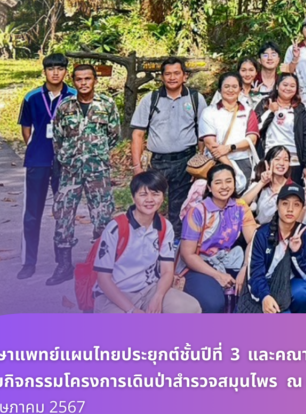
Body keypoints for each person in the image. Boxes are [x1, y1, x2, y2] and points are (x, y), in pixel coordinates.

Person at [48, 64, 121, 286]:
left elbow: (114, 135)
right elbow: (57, 138)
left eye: (88, 79)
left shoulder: (106, 104)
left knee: (102, 217)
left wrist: (95, 153)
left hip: (97, 170)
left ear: (95, 80)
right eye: (79, 79)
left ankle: (102, 267)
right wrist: (68, 157)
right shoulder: (65, 106)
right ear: (74, 81)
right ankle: (63, 266)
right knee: (63, 215)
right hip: (70, 171)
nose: (83, 83)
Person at [93, 171, 202, 313]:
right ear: (133, 197)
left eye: (156, 194)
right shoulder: (116, 228)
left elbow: (167, 271)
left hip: (149, 290)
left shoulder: (165, 226)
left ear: (163, 197)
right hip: (115, 293)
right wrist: (132, 310)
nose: (150, 199)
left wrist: (158, 296)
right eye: (143, 194)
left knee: (190, 308)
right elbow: (103, 279)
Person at [131, 58, 206, 236]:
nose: (172, 77)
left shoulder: (195, 98)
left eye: (176, 73)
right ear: (162, 77)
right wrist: (137, 167)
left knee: (180, 210)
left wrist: (201, 166)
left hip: (186, 162)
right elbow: (138, 134)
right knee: (149, 205)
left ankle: (174, 250)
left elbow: (203, 134)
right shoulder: (151, 99)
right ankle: (145, 245)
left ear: (184, 76)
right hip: (157, 162)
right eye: (168, 74)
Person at [17, 53, 75, 280]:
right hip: (38, 160)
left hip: (65, 162)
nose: (55, 72)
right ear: (44, 72)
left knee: (64, 213)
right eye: (51, 68)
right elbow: (26, 128)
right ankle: (28, 262)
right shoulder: (31, 97)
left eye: (60, 68)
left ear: (65, 72)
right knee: (32, 213)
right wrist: (36, 146)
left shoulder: (74, 96)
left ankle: (63, 263)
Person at [178, 164, 257, 313]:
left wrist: (245, 269)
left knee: (252, 291)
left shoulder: (240, 207)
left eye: (228, 181)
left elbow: (254, 240)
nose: (224, 186)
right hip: (199, 265)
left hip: (229, 260)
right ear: (209, 186)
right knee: (214, 303)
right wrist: (218, 275)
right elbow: (187, 254)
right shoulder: (197, 212)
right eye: (218, 182)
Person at [240, 183, 306, 314]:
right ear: (277, 205)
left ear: (302, 208)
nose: (290, 209)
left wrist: (295, 253)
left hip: (288, 284)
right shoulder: (262, 234)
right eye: (285, 203)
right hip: (263, 286)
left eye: (296, 204)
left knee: (303, 292)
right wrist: (264, 296)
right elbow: (255, 272)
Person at [199, 72, 260, 187]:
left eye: (234, 86)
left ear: (240, 90)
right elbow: (210, 143)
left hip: (243, 162)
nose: (230, 90)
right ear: (219, 90)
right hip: (217, 162)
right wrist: (231, 170)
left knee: (242, 202)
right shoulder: (209, 112)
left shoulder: (248, 111)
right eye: (226, 86)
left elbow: (252, 139)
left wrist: (229, 147)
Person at [256, 73, 306, 184]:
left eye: (292, 86)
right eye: (285, 85)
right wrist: (270, 111)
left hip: (294, 161)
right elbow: (257, 129)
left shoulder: (300, 108)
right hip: (271, 159)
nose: (288, 88)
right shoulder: (265, 103)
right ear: (277, 86)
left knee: (292, 195)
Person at [242, 146, 294, 225]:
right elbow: (241, 204)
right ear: (268, 163)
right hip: (258, 231)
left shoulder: (292, 188)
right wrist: (262, 183)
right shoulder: (259, 185)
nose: (282, 163)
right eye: (277, 159)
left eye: (286, 160)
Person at [283, 17, 306, 107]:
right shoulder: (293, 48)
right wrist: (295, 58)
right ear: (302, 30)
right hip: (297, 93)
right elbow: (287, 73)